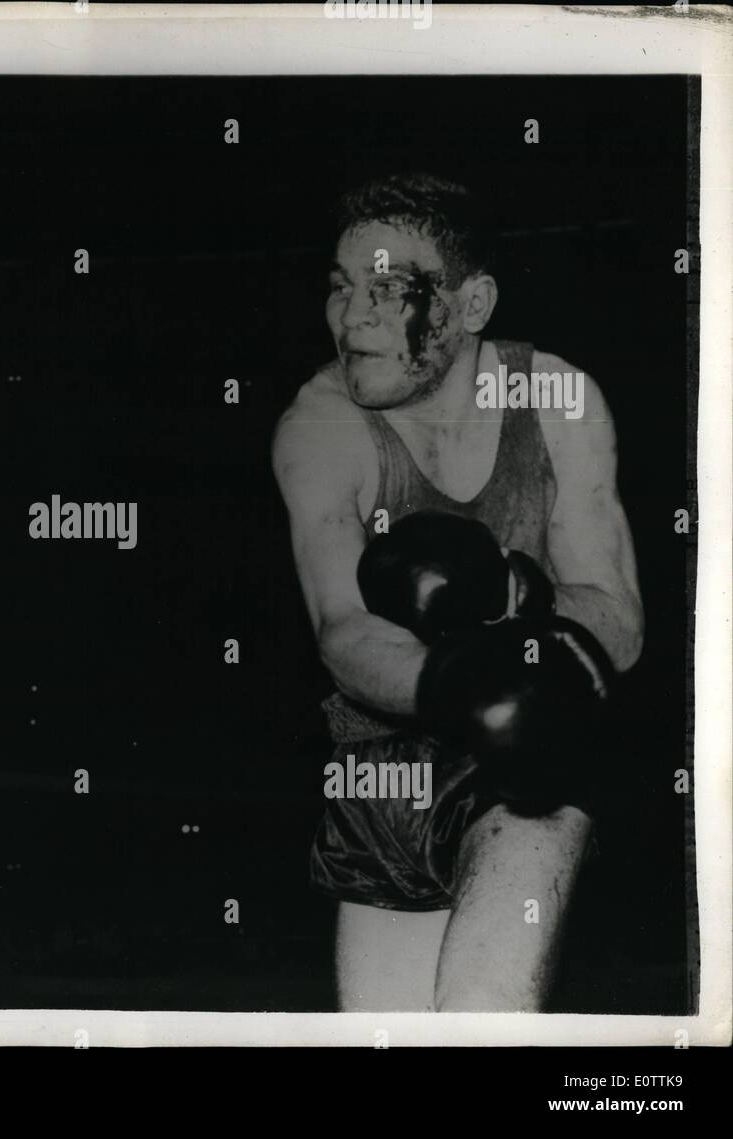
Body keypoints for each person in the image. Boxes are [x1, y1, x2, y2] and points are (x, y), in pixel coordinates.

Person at [271, 173, 644, 1011]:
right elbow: (340, 627)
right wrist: (456, 677)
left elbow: (617, 619)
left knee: (483, 1017)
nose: (354, 316)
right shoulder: (320, 424)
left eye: (387, 288)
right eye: (341, 287)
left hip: (522, 767)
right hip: (377, 777)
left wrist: (519, 614)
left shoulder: (557, 403)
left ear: (471, 303)